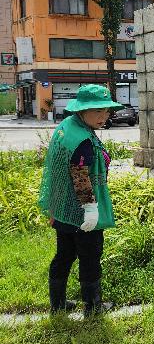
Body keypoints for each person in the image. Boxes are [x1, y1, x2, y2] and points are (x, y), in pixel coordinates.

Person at [38, 84, 123, 317]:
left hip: (63, 207)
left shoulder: (67, 126)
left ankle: (57, 304)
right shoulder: (82, 139)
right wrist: (91, 209)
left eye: (106, 111)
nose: (103, 116)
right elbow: (79, 175)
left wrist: (54, 207)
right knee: (90, 256)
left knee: (64, 254)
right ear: (83, 110)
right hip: (81, 213)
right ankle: (93, 306)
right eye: (97, 111)